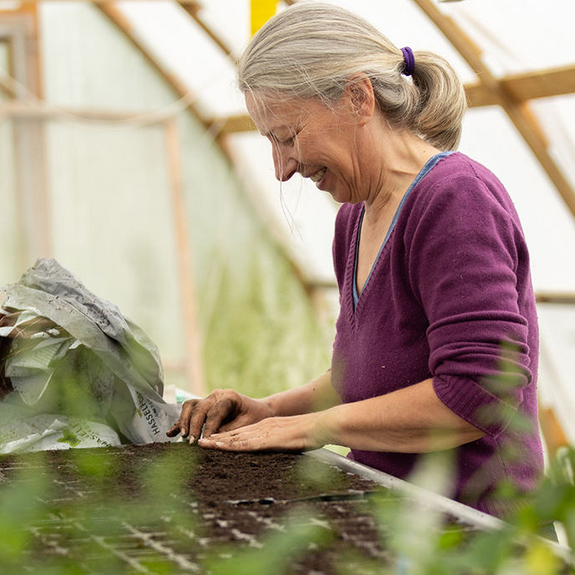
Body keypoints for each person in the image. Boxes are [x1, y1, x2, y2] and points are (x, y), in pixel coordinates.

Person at [167, 2, 543, 519]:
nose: (282, 169)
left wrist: (305, 429)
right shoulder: (354, 219)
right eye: (271, 143)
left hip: (474, 533)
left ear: (358, 98)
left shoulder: (455, 198)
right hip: (391, 514)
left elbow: (478, 393)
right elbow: (364, 375)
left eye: (288, 136)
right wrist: (269, 410)